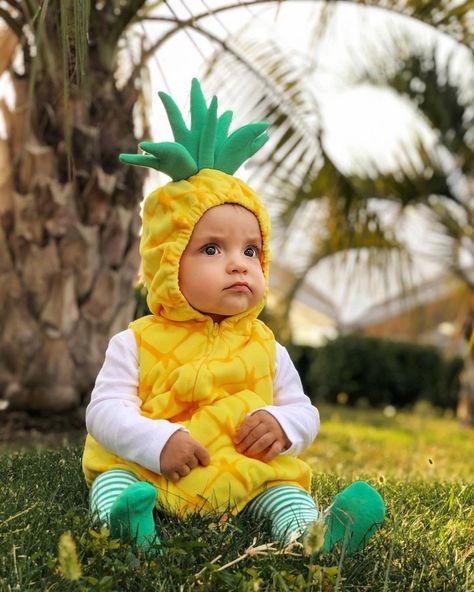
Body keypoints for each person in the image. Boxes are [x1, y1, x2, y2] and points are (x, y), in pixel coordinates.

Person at [82, 79, 385, 554]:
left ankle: (313, 537)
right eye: (210, 248)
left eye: (250, 249)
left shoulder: (267, 347)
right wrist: (157, 441)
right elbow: (104, 413)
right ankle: (127, 525)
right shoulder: (135, 342)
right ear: (168, 260)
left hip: (243, 473)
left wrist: (281, 425)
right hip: (151, 467)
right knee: (114, 481)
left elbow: (304, 410)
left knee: (283, 491)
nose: (239, 262)